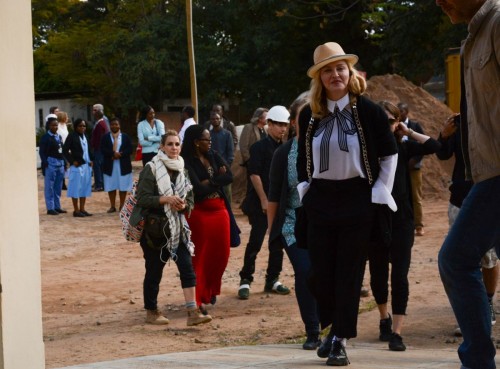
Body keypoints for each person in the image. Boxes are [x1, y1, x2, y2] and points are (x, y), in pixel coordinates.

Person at [296, 42, 397, 366]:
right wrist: (304, 190)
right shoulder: (309, 114)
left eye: (340, 68)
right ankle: (332, 328)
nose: (335, 74)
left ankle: (339, 339)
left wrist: (379, 191)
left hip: (357, 198)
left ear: (349, 72)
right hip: (321, 199)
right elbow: (302, 156)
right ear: (320, 78)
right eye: (328, 69)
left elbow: (389, 153)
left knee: (349, 274)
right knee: (319, 273)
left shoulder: (368, 110)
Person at [436, 1, 500, 368]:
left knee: (456, 258)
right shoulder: (471, 41)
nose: (438, 3)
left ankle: (477, 362)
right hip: (485, 174)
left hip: (498, 177)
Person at [368, 101, 441, 352]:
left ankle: (397, 332)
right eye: (383, 120)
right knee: (378, 276)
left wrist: (408, 132)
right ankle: (383, 318)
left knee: (399, 275)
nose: (387, 125)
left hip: (402, 220)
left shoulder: (403, 147)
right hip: (375, 220)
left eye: (391, 120)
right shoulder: (367, 150)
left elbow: (434, 146)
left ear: (397, 122)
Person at [134, 130, 212, 326]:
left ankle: (192, 312)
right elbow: (141, 198)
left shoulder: (182, 169)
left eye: (177, 144)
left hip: (177, 228)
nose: (174, 148)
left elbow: (191, 197)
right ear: (161, 147)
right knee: (154, 271)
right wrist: (165, 199)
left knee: (187, 268)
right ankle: (151, 311)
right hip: (155, 230)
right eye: (170, 144)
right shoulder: (151, 168)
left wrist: (184, 205)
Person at [267, 95, 321, 350]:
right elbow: (274, 197)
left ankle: (330, 325)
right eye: (303, 117)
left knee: (325, 273)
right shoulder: (283, 153)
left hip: (324, 220)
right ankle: (313, 330)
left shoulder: (327, 146)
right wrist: (272, 232)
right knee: (305, 271)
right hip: (292, 221)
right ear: (294, 122)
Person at [436, 114, 498, 335]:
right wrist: (443, 136)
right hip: (460, 199)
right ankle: (470, 314)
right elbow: (442, 153)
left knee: (489, 257)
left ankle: (488, 302)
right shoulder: (459, 122)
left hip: (488, 198)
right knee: (458, 257)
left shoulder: (490, 118)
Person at [238, 105, 291, 299]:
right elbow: (254, 174)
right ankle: (245, 279)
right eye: (278, 124)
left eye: (284, 125)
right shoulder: (259, 147)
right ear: (269, 124)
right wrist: (263, 199)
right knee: (256, 241)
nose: (282, 128)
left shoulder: (286, 148)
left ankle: (272, 279)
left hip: (280, 203)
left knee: (277, 242)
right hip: (261, 202)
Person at [181, 125, 233, 312]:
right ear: (196, 142)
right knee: (200, 257)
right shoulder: (186, 161)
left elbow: (229, 176)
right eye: (206, 140)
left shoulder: (213, 155)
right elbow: (198, 189)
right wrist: (216, 182)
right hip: (199, 214)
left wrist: (210, 182)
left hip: (220, 211)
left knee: (221, 256)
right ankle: (199, 298)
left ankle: (210, 290)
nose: (210, 143)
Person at [397, 103, 426, 236]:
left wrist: (415, 160)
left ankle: (419, 226)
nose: (400, 113)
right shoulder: (394, 126)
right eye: (398, 111)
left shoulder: (415, 126)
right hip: (399, 168)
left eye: (402, 111)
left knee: (416, 197)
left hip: (414, 168)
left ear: (407, 112)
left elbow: (424, 145)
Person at [100, 117, 133, 213]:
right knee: (111, 186)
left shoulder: (125, 137)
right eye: (112, 124)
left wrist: (120, 154)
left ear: (119, 125)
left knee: (123, 186)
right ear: (110, 126)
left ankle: (122, 205)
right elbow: (102, 149)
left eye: (116, 124)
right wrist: (112, 153)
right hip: (110, 165)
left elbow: (130, 149)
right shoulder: (105, 137)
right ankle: (112, 206)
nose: (114, 126)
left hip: (123, 165)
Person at [63, 118, 93, 217]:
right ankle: (76, 210)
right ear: (76, 127)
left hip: (86, 165)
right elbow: (65, 150)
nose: (82, 127)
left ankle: (82, 209)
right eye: (80, 126)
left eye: (84, 126)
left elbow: (89, 150)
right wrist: (72, 161)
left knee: (84, 187)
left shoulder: (86, 136)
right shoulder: (72, 136)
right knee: (76, 188)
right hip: (77, 166)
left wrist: (91, 160)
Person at [39, 115, 67, 215]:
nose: (55, 127)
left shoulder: (58, 136)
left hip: (60, 163)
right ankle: (50, 208)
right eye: (53, 125)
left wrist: (65, 162)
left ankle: (57, 206)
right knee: (49, 186)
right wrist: (45, 162)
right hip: (50, 163)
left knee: (58, 186)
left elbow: (62, 150)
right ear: (49, 126)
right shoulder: (46, 137)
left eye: (56, 125)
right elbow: (42, 152)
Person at [90, 104, 109, 191]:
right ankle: (100, 184)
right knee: (99, 167)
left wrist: (94, 147)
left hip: (99, 149)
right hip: (99, 149)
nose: (93, 113)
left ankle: (99, 185)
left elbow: (99, 138)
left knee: (98, 167)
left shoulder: (101, 124)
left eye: (95, 112)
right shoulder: (100, 123)